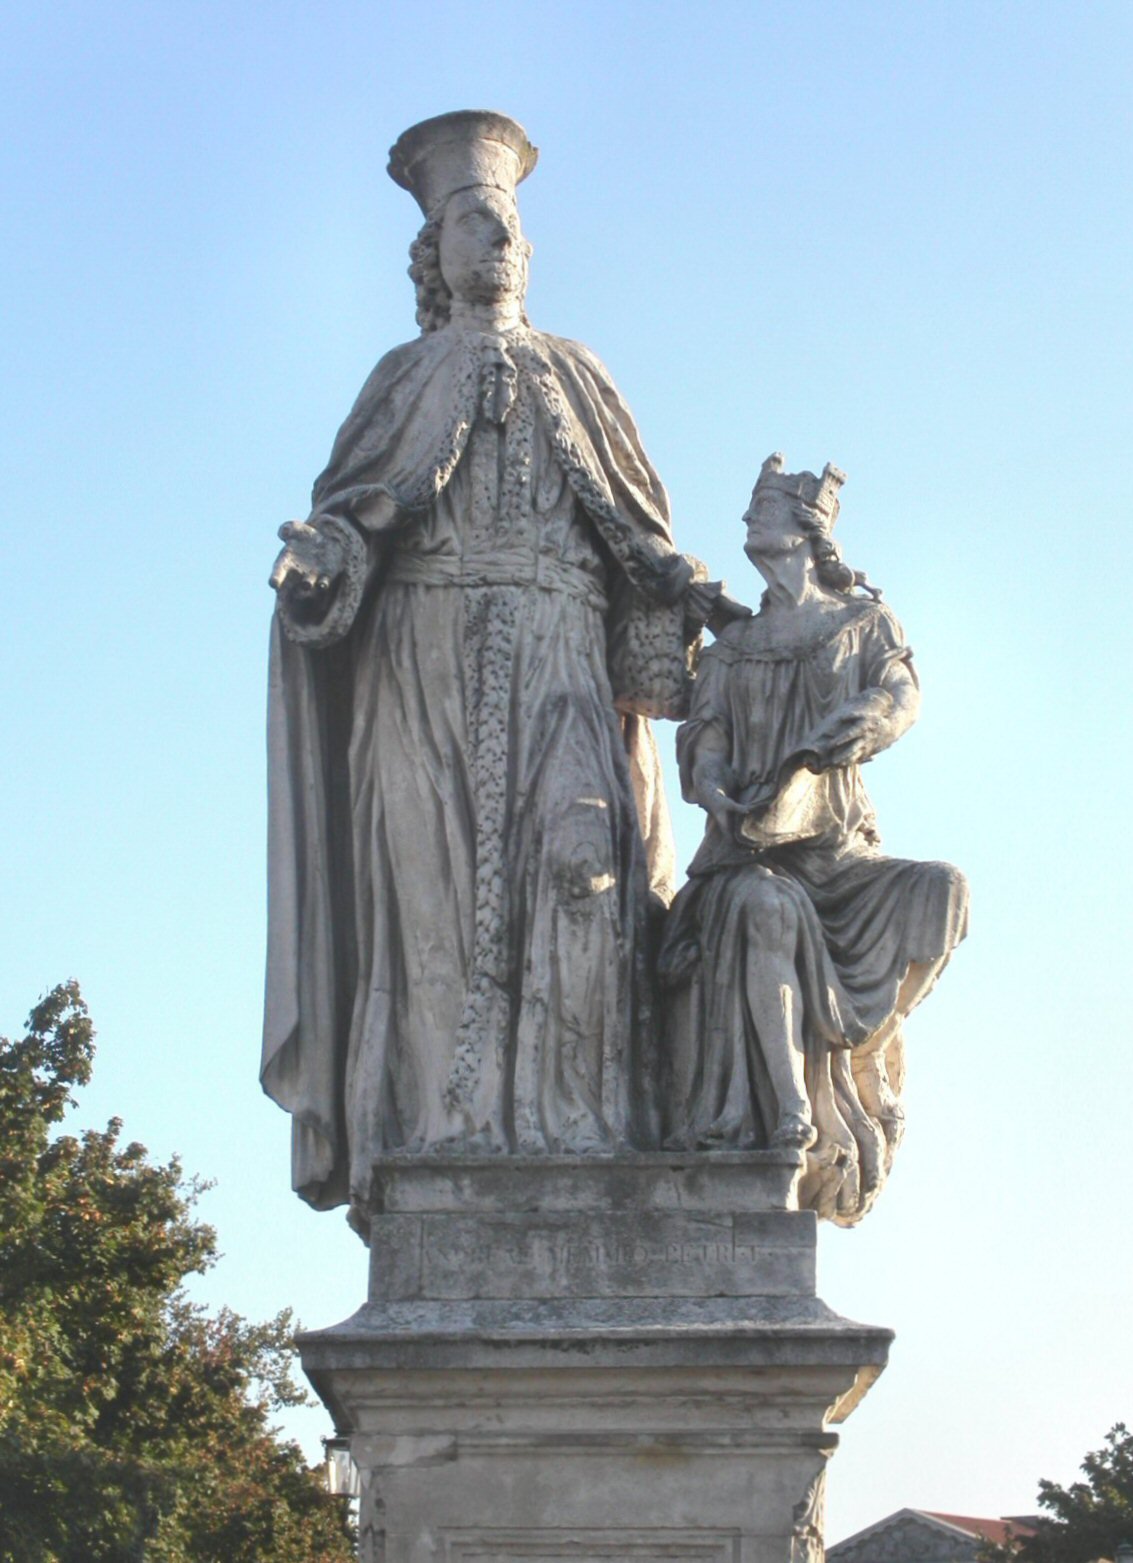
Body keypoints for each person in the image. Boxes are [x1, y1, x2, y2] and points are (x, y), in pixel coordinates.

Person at [260, 112, 738, 1224]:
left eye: (511, 223)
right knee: (429, 905)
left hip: (562, 661)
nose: (501, 241)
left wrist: (682, 582)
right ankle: (440, 1135)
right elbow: (347, 527)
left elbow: (635, 529)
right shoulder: (401, 378)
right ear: (435, 253)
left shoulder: (577, 372)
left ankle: (584, 1133)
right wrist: (321, 560)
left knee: (582, 877)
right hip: (418, 669)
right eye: (476, 222)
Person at [658, 453, 968, 1225]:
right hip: (752, 851)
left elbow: (901, 696)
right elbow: (707, 736)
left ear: (803, 528)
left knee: (943, 890)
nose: (744, 522)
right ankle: (790, 1112)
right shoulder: (734, 646)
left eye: (760, 509)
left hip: (838, 848)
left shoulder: (861, 624)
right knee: (763, 908)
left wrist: (858, 728)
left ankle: (868, 1036)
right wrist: (717, 788)